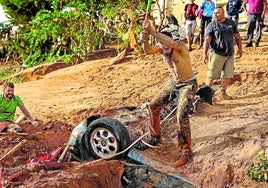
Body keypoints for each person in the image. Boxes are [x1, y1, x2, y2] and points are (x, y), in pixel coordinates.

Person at [141, 19, 198, 166]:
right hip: (174, 83)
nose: (161, 47)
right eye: (159, 43)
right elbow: (147, 51)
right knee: (153, 105)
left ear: (169, 41)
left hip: (188, 84)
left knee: (181, 115)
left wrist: (153, 32)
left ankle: (186, 152)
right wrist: (145, 39)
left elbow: (169, 42)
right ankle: (155, 137)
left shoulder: (180, 47)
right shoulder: (161, 48)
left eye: (163, 43)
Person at [203, 6, 242, 100]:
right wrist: (204, 54)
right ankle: (206, 97)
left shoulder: (231, 23)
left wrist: (240, 49)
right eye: (214, 13)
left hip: (229, 53)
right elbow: (207, 41)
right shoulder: (211, 25)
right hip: (217, 53)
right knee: (211, 76)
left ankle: (223, 93)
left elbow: (237, 37)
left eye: (217, 13)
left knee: (228, 75)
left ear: (223, 13)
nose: (215, 14)